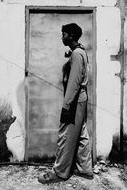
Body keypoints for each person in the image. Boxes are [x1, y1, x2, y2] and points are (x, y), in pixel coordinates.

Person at [38, 23, 93, 184]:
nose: (62, 37)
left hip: (74, 101)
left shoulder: (77, 54)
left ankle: (60, 172)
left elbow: (74, 83)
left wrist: (67, 105)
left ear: (71, 36)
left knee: (66, 136)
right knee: (81, 135)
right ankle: (85, 169)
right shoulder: (80, 51)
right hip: (81, 99)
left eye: (64, 34)